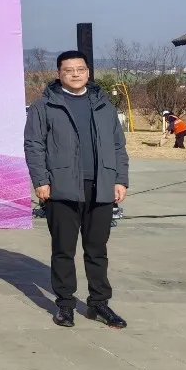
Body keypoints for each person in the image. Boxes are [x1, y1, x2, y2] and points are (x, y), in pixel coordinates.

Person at [24, 51, 128, 329]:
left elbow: (118, 146)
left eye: (80, 69)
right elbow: (34, 145)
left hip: (101, 186)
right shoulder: (45, 105)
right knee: (63, 249)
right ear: (59, 73)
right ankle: (65, 305)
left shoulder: (103, 105)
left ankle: (99, 304)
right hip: (61, 188)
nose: (75, 74)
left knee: (97, 250)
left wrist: (120, 179)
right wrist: (41, 181)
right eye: (68, 70)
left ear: (88, 72)